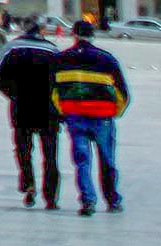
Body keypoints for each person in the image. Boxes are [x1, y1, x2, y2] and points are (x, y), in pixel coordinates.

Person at [52, 20, 130, 216]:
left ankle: (88, 201)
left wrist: (64, 111)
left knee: (82, 160)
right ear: (92, 35)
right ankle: (112, 200)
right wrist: (114, 112)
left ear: (74, 34)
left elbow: (53, 92)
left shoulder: (61, 59)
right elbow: (123, 93)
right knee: (107, 160)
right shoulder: (107, 59)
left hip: (75, 116)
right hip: (102, 117)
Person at [0, 17, 63, 210]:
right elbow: (62, 81)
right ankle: (51, 196)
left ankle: (29, 183)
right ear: (41, 30)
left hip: (21, 106)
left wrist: (13, 95)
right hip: (48, 109)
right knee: (50, 154)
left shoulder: (11, 48)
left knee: (23, 149)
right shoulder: (53, 50)